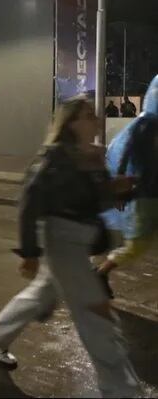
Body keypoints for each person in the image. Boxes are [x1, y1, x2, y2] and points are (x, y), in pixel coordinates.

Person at [0, 96, 141, 398]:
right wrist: (29, 253)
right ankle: (121, 389)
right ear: (71, 123)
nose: (96, 119)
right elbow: (30, 203)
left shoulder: (91, 156)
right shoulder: (53, 158)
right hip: (63, 241)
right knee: (97, 315)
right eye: (88, 115)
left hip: (79, 241)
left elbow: (98, 196)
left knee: (42, 292)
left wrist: (125, 187)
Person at [97, 75, 158, 293]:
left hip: (151, 192)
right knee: (136, 245)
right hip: (145, 194)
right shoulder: (144, 125)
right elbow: (124, 154)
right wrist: (119, 187)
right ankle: (101, 272)